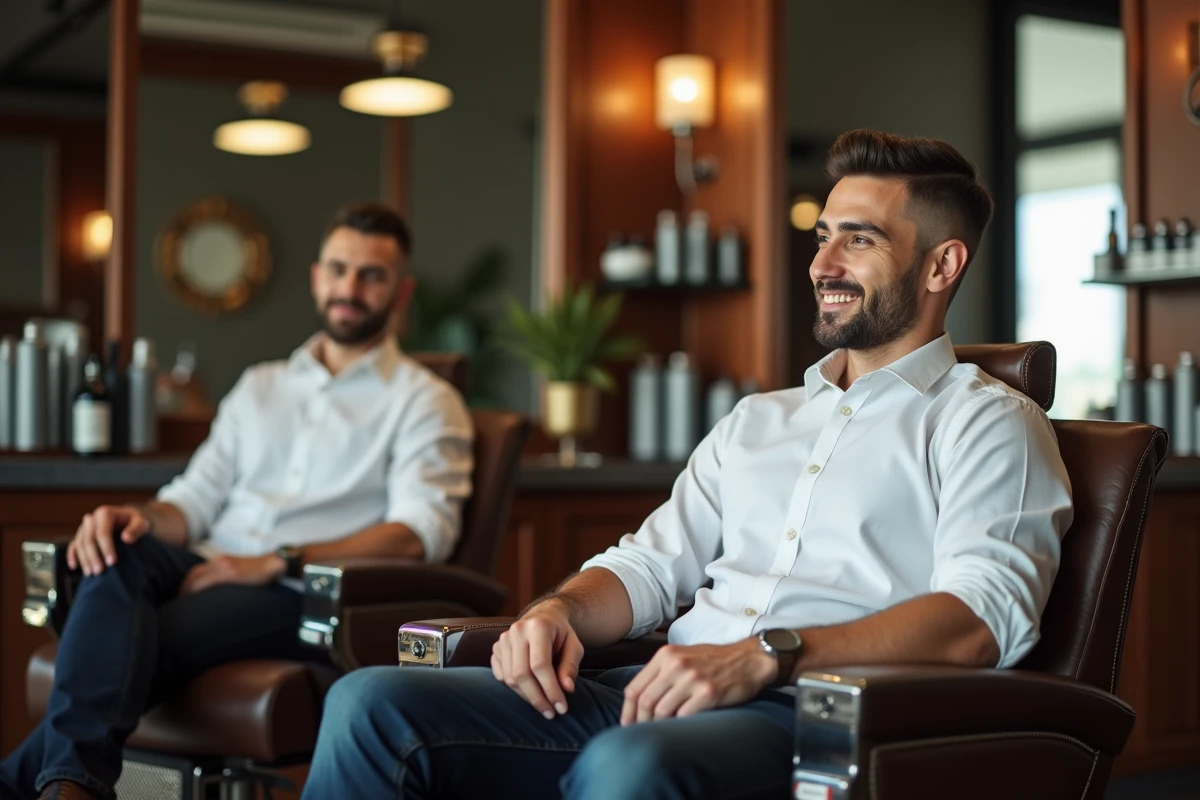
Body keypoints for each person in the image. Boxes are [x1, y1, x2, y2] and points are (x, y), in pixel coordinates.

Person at [301, 130, 1073, 800]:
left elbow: (982, 619)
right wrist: (556, 613)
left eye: (860, 239)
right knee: (372, 702)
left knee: (629, 765)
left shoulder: (988, 422)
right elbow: (646, 566)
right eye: (821, 235)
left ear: (942, 267)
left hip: (823, 718)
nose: (822, 263)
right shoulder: (758, 420)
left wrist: (764, 658)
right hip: (657, 692)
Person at [0, 204, 474, 800]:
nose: (350, 287)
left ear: (400, 291)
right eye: (339, 268)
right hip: (208, 564)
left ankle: (51, 785)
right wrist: (140, 518)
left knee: (123, 639)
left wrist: (278, 560)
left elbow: (420, 531)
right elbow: (193, 501)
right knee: (116, 552)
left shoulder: (425, 401)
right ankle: (63, 785)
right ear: (316, 277)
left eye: (371, 275)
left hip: (303, 594)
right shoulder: (260, 385)